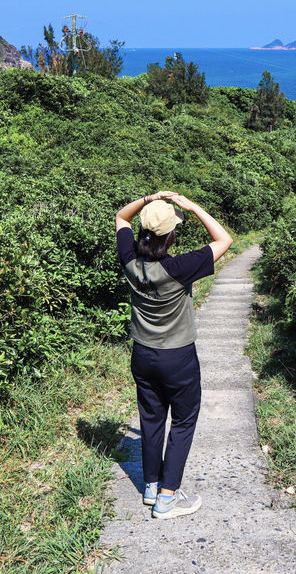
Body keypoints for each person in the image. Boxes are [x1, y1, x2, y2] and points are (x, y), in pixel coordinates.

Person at [115, 190, 233, 519]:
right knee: (182, 421)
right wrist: (192, 206)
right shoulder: (180, 267)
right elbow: (225, 239)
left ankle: (151, 487)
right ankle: (168, 498)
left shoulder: (130, 260)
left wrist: (148, 199)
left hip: (143, 354)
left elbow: (120, 217)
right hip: (177, 358)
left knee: (151, 419)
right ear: (171, 234)